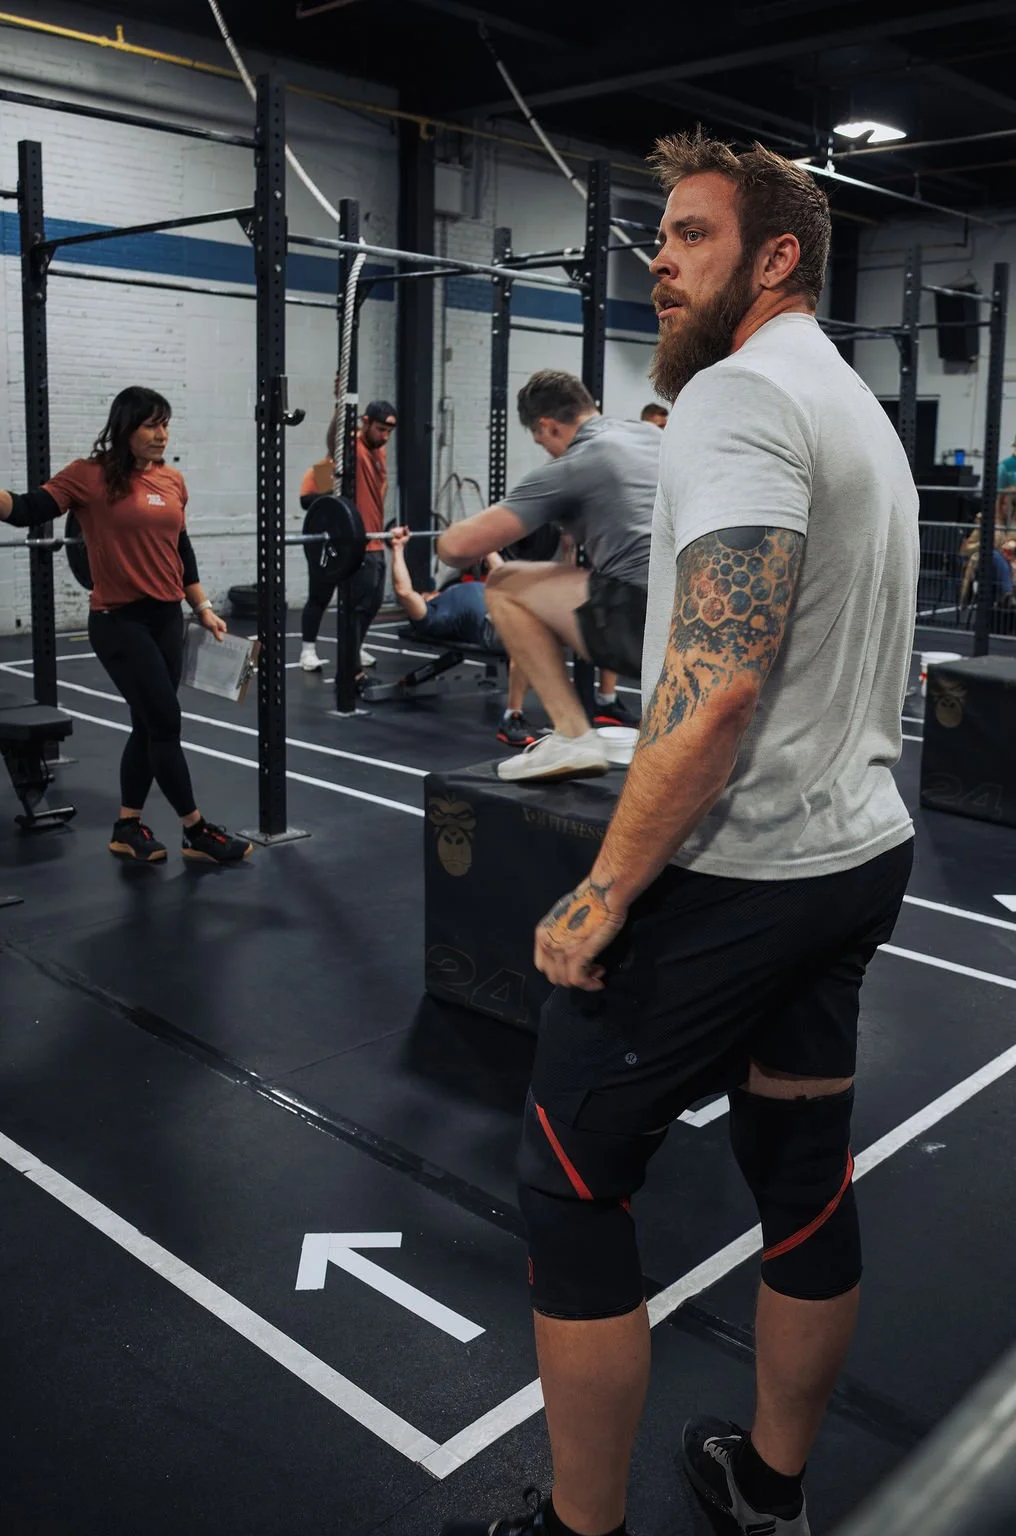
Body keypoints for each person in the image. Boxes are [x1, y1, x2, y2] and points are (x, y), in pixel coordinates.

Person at [442, 132, 918, 1536]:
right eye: (658, 237)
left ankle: (579, 1529)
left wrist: (603, 889)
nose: (658, 260)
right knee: (801, 1175)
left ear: (775, 258)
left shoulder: (736, 394)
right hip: (853, 854)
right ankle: (769, 1493)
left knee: (569, 1185)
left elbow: (714, 693)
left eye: (692, 235)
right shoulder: (851, 403)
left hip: (737, 874)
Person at [0, 387, 252, 865]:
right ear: (125, 427)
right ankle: (195, 831)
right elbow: (26, 509)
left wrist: (202, 607)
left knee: (147, 725)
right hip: (119, 622)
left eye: (165, 424)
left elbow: (181, 549)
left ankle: (127, 828)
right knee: (165, 722)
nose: (161, 434)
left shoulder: (172, 480)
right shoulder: (87, 476)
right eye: (151, 424)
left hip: (166, 619)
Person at [437, 371, 659, 783]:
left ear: (548, 426)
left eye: (542, 442)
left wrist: (446, 535)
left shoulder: (577, 463)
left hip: (648, 627)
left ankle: (573, 736)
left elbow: (457, 548)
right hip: (707, 611)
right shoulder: (650, 435)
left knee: (505, 584)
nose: (548, 451)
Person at [389, 530, 537, 746]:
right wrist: (398, 548)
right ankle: (511, 719)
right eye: (421, 594)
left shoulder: (454, 588)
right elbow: (403, 591)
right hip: (491, 625)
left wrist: (486, 545)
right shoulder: (430, 615)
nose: (424, 593)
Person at [298, 400, 397, 674]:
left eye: (389, 432)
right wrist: (339, 403)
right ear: (365, 423)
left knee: (372, 602)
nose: (385, 437)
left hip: (371, 539)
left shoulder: (379, 453)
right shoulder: (335, 461)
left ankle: (356, 646)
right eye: (380, 430)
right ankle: (308, 650)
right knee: (320, 596)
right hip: (335, 543)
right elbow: (307, 501)